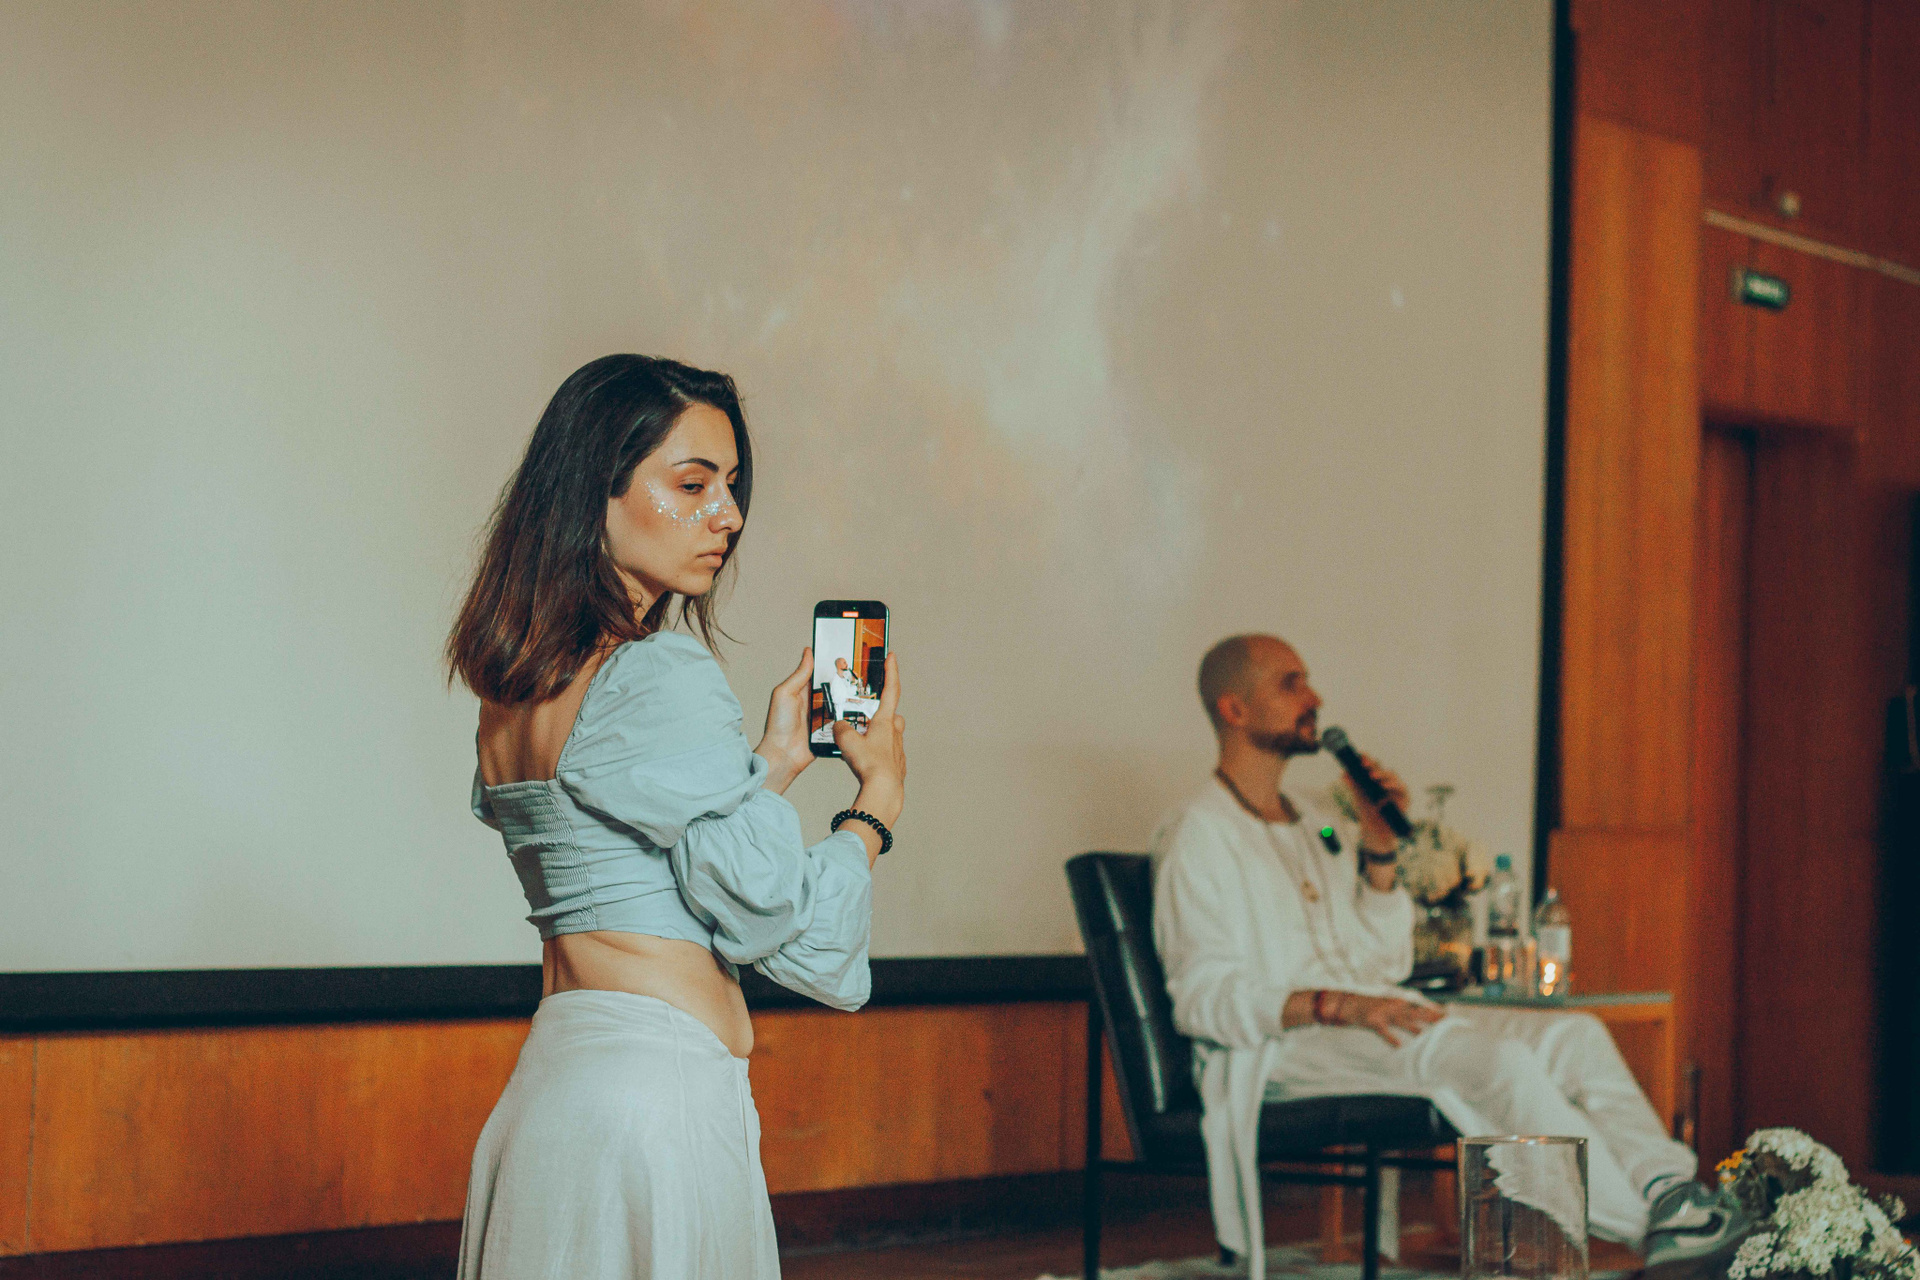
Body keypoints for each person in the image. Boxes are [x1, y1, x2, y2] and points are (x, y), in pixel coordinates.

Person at [445, 354, 907, 1280]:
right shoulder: (657, 672)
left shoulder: (511, 697)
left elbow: (647, 854)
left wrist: (770, 763)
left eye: (731, 487)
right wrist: (875, 806)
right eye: (692, 485)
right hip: (657, 1105)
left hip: (554, 1096)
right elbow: (774, 915)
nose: (726, 515)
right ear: (594, 493)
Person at [1151, 634, 1745, 1279]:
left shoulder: (1314, 823)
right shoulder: (1198, 833)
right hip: (1285, 1046)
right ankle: (1657, 1233)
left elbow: (1381, 964)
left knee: (1575, 1033)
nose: (1313, 697)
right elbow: (1201, 998)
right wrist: (1336, 1004)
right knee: (1500, 1063)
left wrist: (1379, 850)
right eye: (1290, 683)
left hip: (1373, 1018)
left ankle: (1672, 1193)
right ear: (1234, 709)